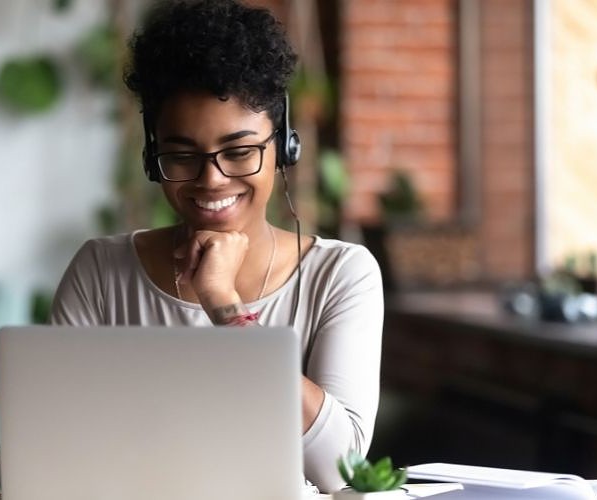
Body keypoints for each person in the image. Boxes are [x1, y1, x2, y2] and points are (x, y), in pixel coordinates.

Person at [49, 0, 383, 493]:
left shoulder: (340, 274)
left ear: (283, 147)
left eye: (240, 151)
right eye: (182, 155)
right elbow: (31, 460)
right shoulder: (101, 271)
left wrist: (225, 306)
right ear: (151, 155)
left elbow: (343, 469)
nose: (211, 179)